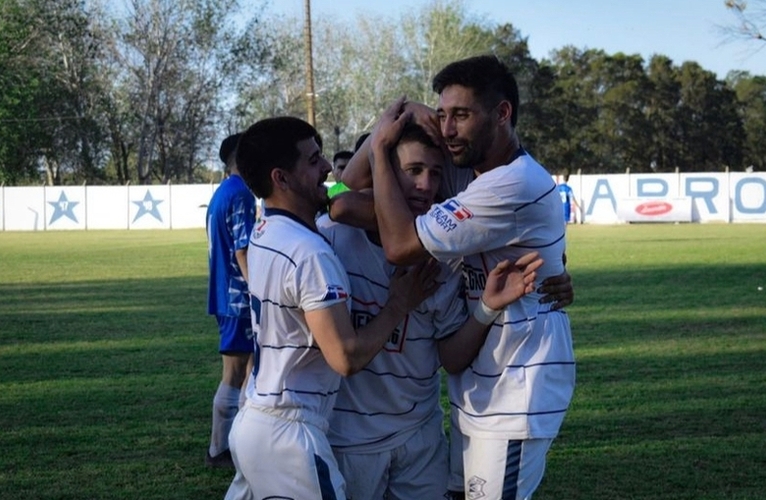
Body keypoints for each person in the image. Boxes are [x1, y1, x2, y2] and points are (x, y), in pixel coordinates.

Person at [353, 55, 576, 499]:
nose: (448, 129)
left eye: (461, 115)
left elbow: (398, 244)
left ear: (502, 114)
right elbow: (345, 183)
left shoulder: (512, 184)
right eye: (442, 115)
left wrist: (380, 146)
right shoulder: (467, 169)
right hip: (477, 388)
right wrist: (404, 114)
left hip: (518, 390)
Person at [223, 116, 442, 500]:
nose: (328, 168)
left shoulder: (268, 231)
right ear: (282, 178)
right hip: (290, 432)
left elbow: (341, 192)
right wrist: (399, 303)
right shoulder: (312, 253)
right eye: (313, 160)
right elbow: (345, 357)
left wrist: (380, 137)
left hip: (255, 419)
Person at [321, 122, 543, 500]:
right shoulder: (328, 239)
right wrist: (389, 125)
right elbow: (337, 195)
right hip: (350, 440)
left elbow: (451, 358)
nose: (426, 185)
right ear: (385, 173)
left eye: (435, 172)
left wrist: (487, 307)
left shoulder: (446, 252)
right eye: (413, 171)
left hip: (419, 438)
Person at [204, 132, 257, 468]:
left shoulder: (221, 193)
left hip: (225, 294)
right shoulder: (241, 195)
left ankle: (241, 445)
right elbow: (242, 248)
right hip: (238, 298)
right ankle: (219, 450)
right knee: (236, 373)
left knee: (251, 372)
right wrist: (260, 289)